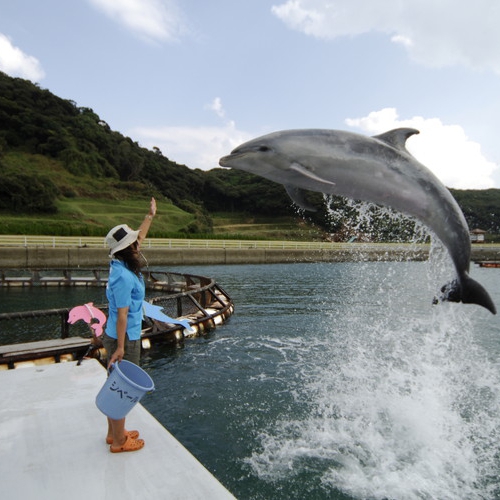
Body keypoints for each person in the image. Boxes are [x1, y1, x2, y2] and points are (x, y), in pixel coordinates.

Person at [102, 197, 156, 453]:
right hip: (123, 337)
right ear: (126, 249)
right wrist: (121, 348)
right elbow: (122, 314)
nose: (138, 243)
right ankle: (120, 442)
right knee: (122, 388)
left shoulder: (122, 264)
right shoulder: (123, 276)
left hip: (119, 334)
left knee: (115, 384)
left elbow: (140, 238)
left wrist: (150, 216)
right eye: (133, 242)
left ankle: (114, 433)